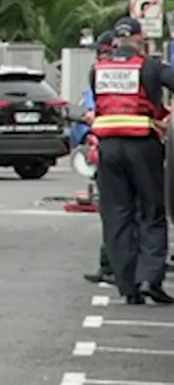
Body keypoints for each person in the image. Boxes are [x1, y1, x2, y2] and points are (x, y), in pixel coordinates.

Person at [90, 16, 174, 305]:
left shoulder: (97, 69)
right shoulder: (149, 67)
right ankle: (150, 277)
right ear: (139, 39)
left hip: (108, 148)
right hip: (142, 145)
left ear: (114, 42)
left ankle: (127, 286)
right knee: (151, 211)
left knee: (117, 215)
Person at [81, 30, 114, 285]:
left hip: (113, 147)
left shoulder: (101, 73)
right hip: (119, 147)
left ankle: (113, 265)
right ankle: (111, 264)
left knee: (117, 210)